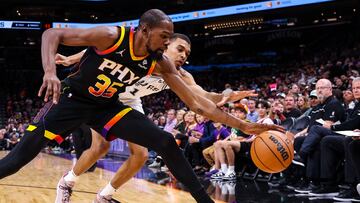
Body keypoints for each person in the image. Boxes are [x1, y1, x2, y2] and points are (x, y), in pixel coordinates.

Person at [0, 9, 284, 203]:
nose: (166, 43)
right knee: (15, 162)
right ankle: (68, 181)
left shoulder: (161, 63)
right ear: (145, 30)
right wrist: (50, 70)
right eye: (164, 37)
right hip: (71, 100)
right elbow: (51, 35)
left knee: (164, 140)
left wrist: (243, 125)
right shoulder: (112, 36)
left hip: (107, 106)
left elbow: (197, 102)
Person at [55, 33, 259, 202]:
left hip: (131, 101)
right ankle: (67, 182)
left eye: (187, 53)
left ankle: (104, 196)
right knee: (100, 147)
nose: (184, 56)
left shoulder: (181, 74)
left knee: (141, 155)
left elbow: (203, 95)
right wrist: (70, 59)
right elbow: (102, 49)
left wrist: (226, 96)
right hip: (109, 95)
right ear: (166, 45)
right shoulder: (144, 54)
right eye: (180, 49)